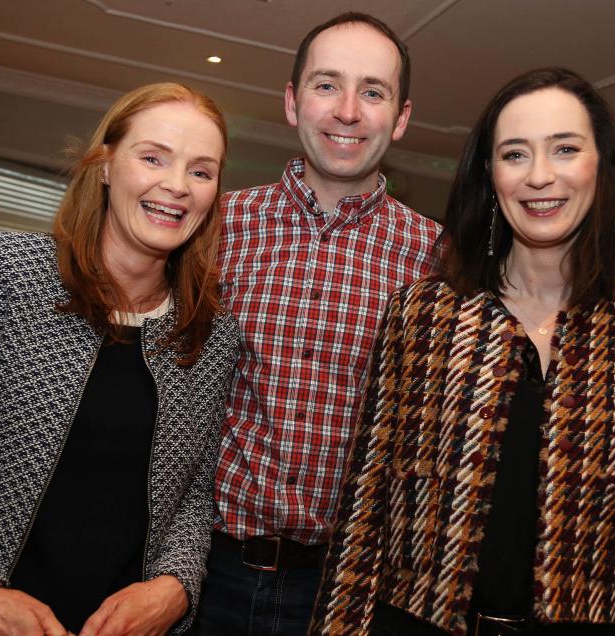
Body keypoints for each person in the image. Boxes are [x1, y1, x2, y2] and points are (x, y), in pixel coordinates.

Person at [311, 67, 615, 636]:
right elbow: (365, 509)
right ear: (490, 175)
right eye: (515, 154)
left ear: (599, 166)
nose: (540, 176)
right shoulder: (422, 315)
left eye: (564, 148)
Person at [0, 82, 239, 635]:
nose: (176, 186)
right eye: (153, 157)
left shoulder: (212, 333)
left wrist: (174, 587)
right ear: (104, 165)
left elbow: (192, 494)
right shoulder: (0, 272)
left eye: (201, 171)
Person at [194, 11, 441, 635]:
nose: (348, 111)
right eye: (327, 84)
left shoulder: (439, 260)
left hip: (350, 590)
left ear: (402, 118)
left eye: (373, 91)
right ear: (292, 101)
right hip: (200, 572)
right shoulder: (212, 228)